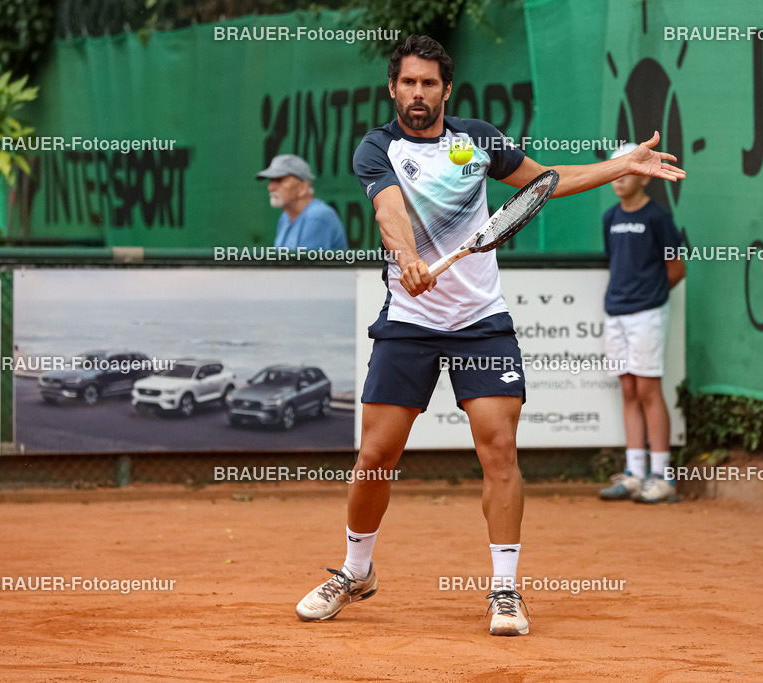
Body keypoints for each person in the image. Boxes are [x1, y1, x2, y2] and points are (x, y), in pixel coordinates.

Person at [294, 35, 684, 636]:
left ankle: (505, 589)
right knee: (375, 457)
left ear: (446, 90)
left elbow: (544, 182)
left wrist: (621, 165)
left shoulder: (478, 140)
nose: (418, 93)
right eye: (408, 83)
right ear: (392, 88)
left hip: (481, 324)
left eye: (429, 83)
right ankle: (355, 570)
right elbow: (389, 212)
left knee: (498, 449)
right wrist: (407, 256)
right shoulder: (378, 148)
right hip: (409, 323)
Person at [597, 143, 686, 504]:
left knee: (649, 391)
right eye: (617, 170)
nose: (621, 178)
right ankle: (634, 473)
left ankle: (662, 477)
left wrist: (648, 296)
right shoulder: (609, 218)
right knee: (629, 390)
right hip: (615, 313)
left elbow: (676, 268)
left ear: (646, 176)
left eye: (630, 169)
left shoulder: (658, 218)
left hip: (647, 314)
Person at [255, 154, 347, 250]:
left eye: (279, 180)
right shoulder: (285, 217)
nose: (270, 187)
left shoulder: (317, 216)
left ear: (303, 187)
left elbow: (304, 265)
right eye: (271, 181)